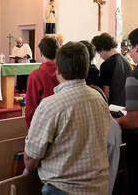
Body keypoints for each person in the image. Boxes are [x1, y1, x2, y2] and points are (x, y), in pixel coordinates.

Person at [24, 42, 112, 194]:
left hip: (64, 188)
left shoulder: (50, 105)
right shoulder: (99, 97)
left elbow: (31, 160)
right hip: (98, 187)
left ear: (58, 70)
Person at [116, 26, 138, 194]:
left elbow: (133, 121)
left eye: (131, 46)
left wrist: (116, 121)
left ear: (137, 48)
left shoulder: (136, 76)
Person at [25, 37, 59, 128]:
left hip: (43, 122)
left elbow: (31, 108)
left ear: (41, 53)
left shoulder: (36, 76)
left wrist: (31, 129)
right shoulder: (65, 72)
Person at [92, 33, 131, 106]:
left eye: (99, 52)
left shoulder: (106, 65)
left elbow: (106, 93)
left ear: (102, 48)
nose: (100, 56)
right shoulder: (126, 61)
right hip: (126, 104)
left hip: (113, 106)